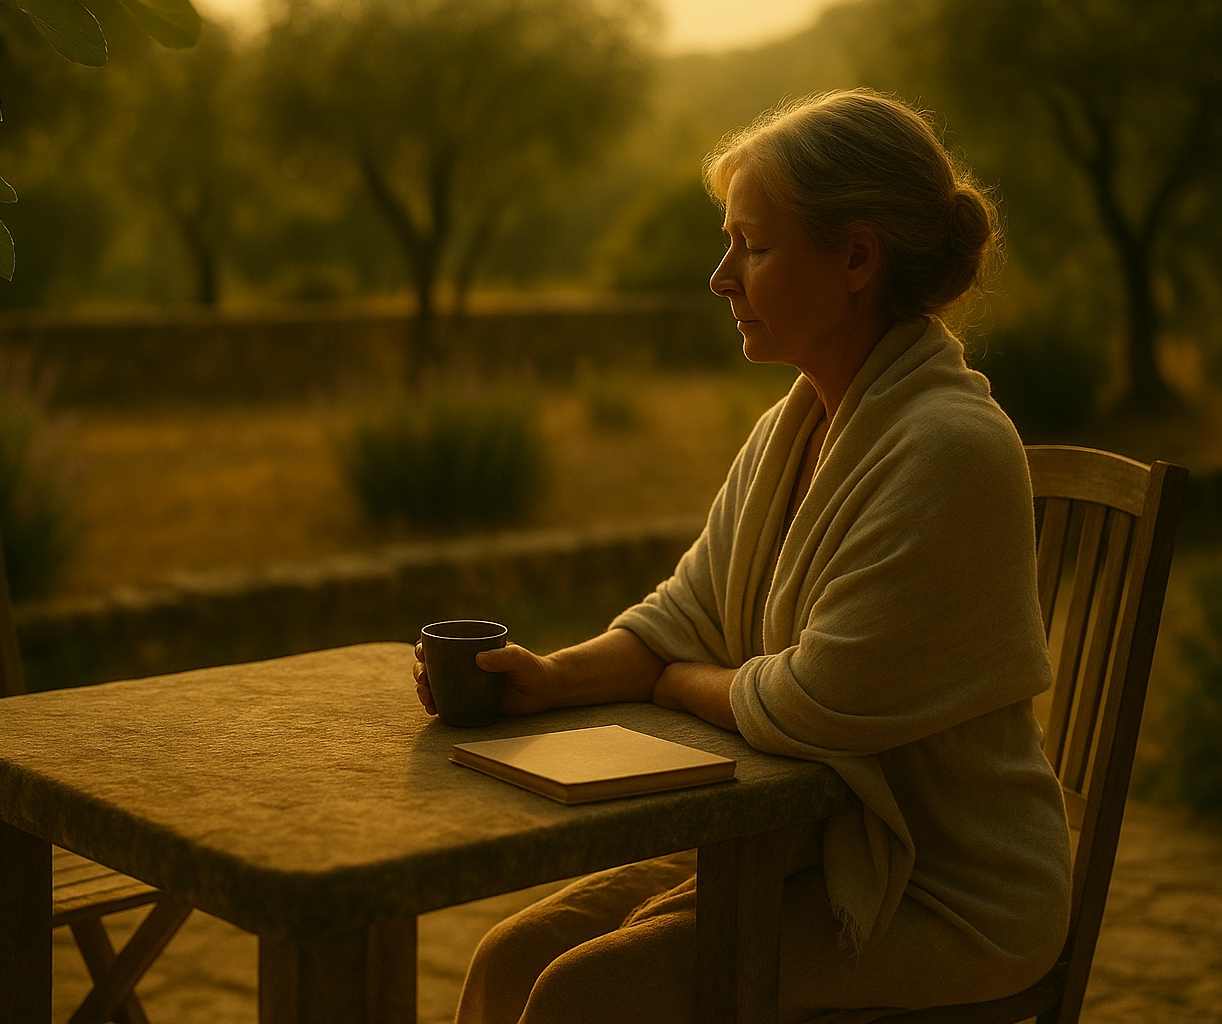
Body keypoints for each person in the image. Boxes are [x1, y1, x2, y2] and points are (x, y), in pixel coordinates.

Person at [412, 88, 1072, 1024]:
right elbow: (684, 615)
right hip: (798, 845)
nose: (721, 277)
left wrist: (673, 683)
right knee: (510, 958)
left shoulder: (949, 447)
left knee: (583, 995)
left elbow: (811, 701)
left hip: (950, 891)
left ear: (855, 258)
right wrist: (549, 679)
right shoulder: (791, 428)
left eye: (752, 247)